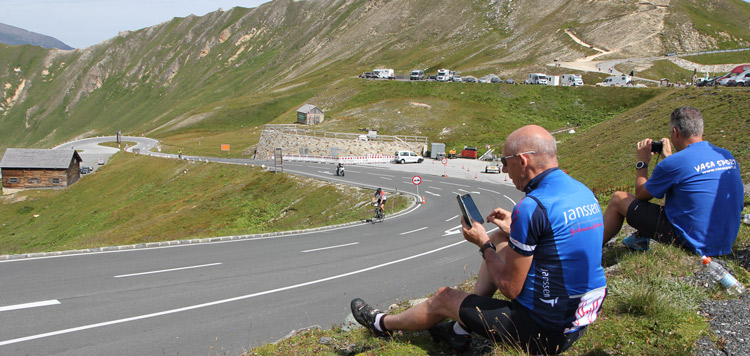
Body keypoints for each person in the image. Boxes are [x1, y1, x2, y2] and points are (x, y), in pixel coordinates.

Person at [351, 125, 607, 354]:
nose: (504, 170)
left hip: (543, 334)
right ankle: (460, 331)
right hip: (577, 321)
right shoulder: (579, 190)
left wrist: (482, 244)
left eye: (506, 162)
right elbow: (560, 239)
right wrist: (513, 229)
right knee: (501, 236)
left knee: (444, 296)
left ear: (522, 160)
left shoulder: (532, 207)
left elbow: (510, 288)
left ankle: (380, 323)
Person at [602, 107, 743, 256]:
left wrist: (642, 163)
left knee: (619, 198)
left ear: (675, 131)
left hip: (693, 242)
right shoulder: (725, 155)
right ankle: (639, 238)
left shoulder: (675, 162)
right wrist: (668, 158)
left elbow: (641, 194)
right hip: (725, 241)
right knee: (678, 195)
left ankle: (590, 251)